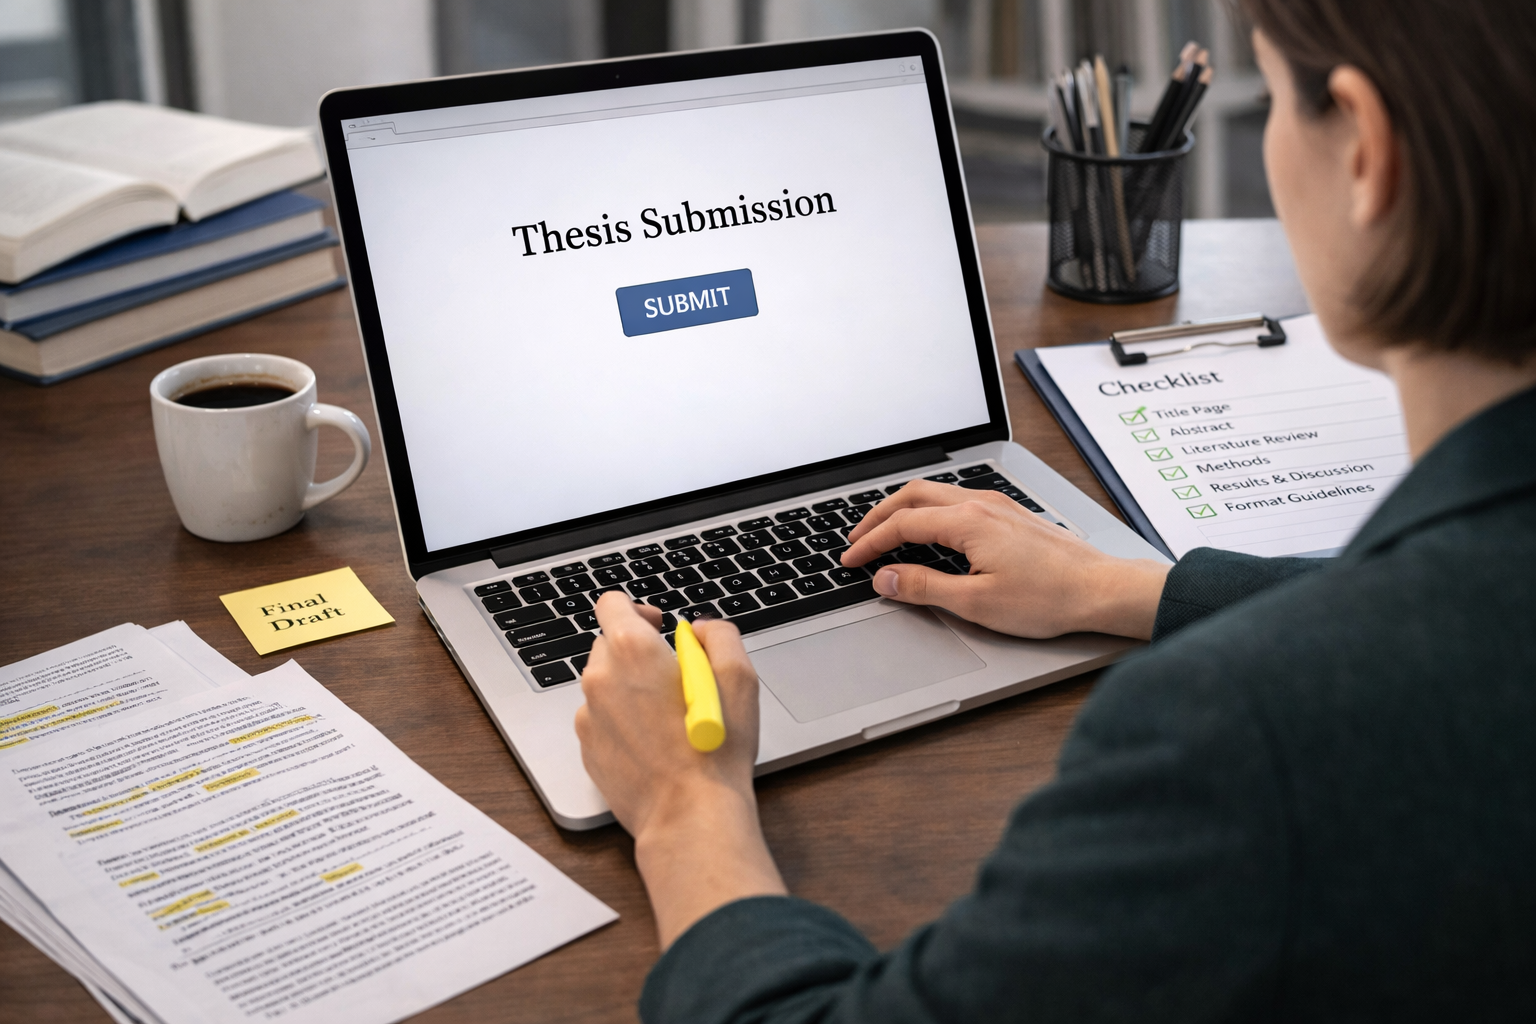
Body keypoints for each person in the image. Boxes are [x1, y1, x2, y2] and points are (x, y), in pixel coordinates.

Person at [575, 0, 1536, 1018]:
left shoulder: (1230, 736)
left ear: (1364, 151)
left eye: (1280, 104)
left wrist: (686, 808)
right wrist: (1132, 588)